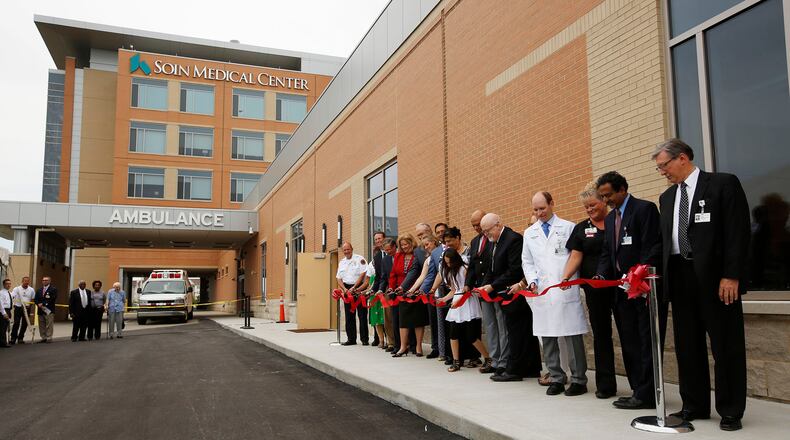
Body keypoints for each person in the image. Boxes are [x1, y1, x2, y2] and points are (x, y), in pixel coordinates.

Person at [653, 139, 750, 431]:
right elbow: (665, 241)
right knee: (687, 345)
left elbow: (737, 232)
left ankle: (731, 409)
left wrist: (732, 274)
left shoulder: (722, 184)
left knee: (725, 344)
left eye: (664, 166)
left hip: (716, 279)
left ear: (682, 158)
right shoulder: (667, 198)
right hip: (680, 278)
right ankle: (694, 404)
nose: (662, 172)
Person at [595, 171, 664, 410]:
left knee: (645, 341)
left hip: (642, 289)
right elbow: (607, 252)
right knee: (629, 341)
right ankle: (638, 390)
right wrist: (601, 274)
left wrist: (637, 273)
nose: (606, 201)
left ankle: (647, 392)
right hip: (621, 292)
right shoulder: (612, 218)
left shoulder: (644, 209)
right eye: (603, 196)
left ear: (623, 188)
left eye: (609, 195)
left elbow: (652, 245)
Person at [519, 192, 589, 397]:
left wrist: (568, 278)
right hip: (542, 291)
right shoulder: (530, 233)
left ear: (551, 204)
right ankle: (556, 377)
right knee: (547, 336)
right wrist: (532, 280)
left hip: (565, 288)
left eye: (542, 208)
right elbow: (527, 262)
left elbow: (575, 256)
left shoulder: (568, 228)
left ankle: (579, 379)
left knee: (572, 334)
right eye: (535, 210)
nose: (539, 213)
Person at [561, 183, 618, 399]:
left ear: (604, 201)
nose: (589, 210)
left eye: (592, 204)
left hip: (621, 287)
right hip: (595, 291)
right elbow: (576, 256)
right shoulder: (581, 228)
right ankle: (606, 385)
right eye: (586, 207)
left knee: (630, 335)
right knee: (601, 335)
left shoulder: (616, 222)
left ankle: (639, 386)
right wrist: (566, 276)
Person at [477, 213, 541, 382]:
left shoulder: (513, 240)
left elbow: (515, 270)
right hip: (503, 293)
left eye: (487, 230)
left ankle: (515, 370)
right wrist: (486, 285)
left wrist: (492, 286)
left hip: (516, 293)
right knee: (518, 332)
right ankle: (529, 368)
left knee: (517, 333)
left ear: (498, 224)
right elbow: (491, 269)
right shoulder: (493, 243)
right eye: (483, 232)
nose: (485, 234)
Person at [465, 210, 509, 376]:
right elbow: (473, 266)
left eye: (479, 225)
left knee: (501, 326)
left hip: (496, 288)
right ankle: (494, 359)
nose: (477, 228)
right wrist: (468, 284)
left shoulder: (495, 237)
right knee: (490, 326)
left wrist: (491, 284)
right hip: (482, 290)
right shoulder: (475, 241)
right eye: (474, 226)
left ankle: (503, 361)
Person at [438, 248, 492, 372]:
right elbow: (453, 290)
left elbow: (468, 287)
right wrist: (443, 299)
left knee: (471, 336)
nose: (448, 265)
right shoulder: (450, 272)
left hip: (467, 302)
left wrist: (458, 301)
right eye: (446, 263)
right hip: (457, 304)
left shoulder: (465, 269)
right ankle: (456, 361)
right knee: (453, 333)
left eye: (450, 262)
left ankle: (487, 357)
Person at [390, 233, 428, 357]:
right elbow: (393, 274)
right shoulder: (398, 256)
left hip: (416, 290)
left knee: (418, 319)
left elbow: (417, 273)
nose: (404, 247)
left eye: (406, 244)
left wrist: (413, 289)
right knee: (403, 320)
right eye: (402, 245)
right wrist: (393, 288)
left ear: (412, 243)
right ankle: (403, 347)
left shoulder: (418, 254)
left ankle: (418, 347)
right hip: (401, 292)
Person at [407, 234, 443, 359]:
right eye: (424, 246)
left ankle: (444, 350)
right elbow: (423, 276)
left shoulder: (443, 252)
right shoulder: (428, 259)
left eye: (428, 244)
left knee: (444, 323)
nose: (426, 247)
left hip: (444, 291)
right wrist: (412, 290)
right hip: (431, 294)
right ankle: (436, 348)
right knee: (434, 321)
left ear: (434, 242)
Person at [336, 242, 369, 346]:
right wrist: (345, 289)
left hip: (359, 289)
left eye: (348, 249)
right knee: (349, 316)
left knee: (362, 315)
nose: (346, 252)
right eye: (344, 250)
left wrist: (355, 287)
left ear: (352, 249)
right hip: (346, 289)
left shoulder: (360, 259)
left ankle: (364, 339)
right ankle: (351, 339)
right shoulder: (342, 262)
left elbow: (363, 273)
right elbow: (338, 278)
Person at [364, 231, 387, 348]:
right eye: (376, 239)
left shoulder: (390, 254)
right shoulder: (374, 260)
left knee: (386, 316)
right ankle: (381, 340)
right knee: (376, 316)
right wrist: (368, 291)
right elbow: (371, 279)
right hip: (376, 289)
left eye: (379, 238)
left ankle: (390, 341)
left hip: (388, 288)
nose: (378, 241)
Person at [376, 238, 398, 351]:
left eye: (389, 249)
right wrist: (380, 289)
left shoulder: (402, 256)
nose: (388, 252)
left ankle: (406, 343)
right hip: (388, 291)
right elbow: (383, 277)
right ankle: (391, 343)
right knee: (388, 317)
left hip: (401, 290)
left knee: (400, 318)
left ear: (395, 246)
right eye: (386, 250)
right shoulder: (385, 260)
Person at [10, 276, 35, 344]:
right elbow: (12, 297)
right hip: (18, 307)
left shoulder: (31, 289)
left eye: (27, 281)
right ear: (22, 281)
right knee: (16, 323)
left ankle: (20, 338)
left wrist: (29, 306)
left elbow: (33, 299)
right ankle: (13, 338)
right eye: (25, 281)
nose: (26, 282)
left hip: (26, 308)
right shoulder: (17, 289)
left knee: (25, 323)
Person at [34, 276, 57, 343]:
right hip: (40, 310)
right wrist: (38, 304)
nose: (44, 281)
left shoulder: (53, 289)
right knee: (41, 324)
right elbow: (36, 299)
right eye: (43, 280)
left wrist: (43, 304)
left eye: (46, 280)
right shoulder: (39, 290)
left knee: (49, 324)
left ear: (49, 281)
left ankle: (49, 337)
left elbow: (53, 298)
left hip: (49, 310)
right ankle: (43, 337)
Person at [0, 279, 12, 348]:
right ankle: (3, 342)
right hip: (3, 311)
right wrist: (4, 313)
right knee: (3, 328)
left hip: (8, 310)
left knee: (5, 327)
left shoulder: (9, 292)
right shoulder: (1, 293)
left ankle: (3, 341)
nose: (9, 285)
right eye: (7, 284)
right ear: (4, 285)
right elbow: (0, 304)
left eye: (10, 283)